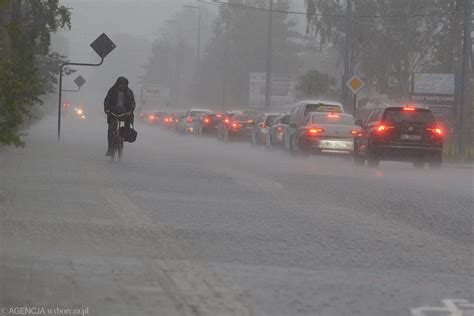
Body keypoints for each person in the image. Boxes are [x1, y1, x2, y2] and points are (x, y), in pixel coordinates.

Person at [104, 77, 135, 156]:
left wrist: (130, 111)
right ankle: (110, 148)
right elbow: (107, 101)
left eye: (123, 85)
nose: (122, 86)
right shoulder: (112, 91)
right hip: (113, 112)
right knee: (111, 130)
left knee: (127, 127)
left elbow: (132, 103)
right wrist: (107, 109)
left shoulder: (129, 92)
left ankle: (123, 137)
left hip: (125, 113)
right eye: (120, 84)